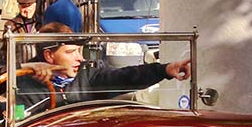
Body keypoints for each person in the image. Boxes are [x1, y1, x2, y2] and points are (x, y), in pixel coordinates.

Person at [15, 22, 192, 113]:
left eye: (79, 51)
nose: (80, 58)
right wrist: (23, 67)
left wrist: (165, 70)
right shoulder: (24, 83)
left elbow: (124, 76)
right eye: (71, 52)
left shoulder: (87, 76)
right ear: (49, 56)